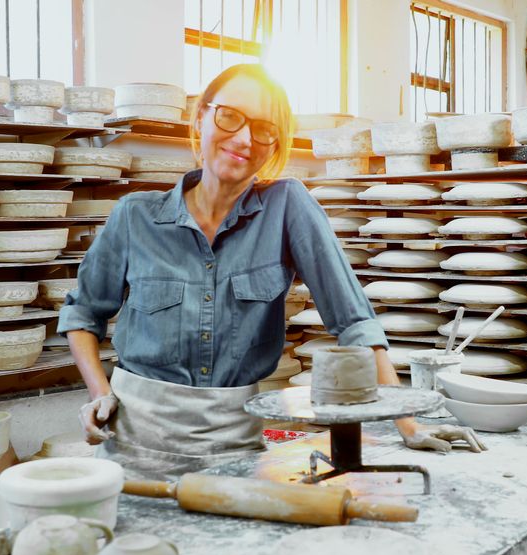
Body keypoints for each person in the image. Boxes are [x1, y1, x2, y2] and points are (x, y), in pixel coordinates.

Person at [59, 64, 485, 478]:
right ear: (200, 117)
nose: (244, 138)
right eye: (229, 116)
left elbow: (355, 322)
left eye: (264, 129)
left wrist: (407, 423)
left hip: (232, 444)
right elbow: (83, 314)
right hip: (135, 441)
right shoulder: (135, 216)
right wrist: (100, 394)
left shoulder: (287, 207)